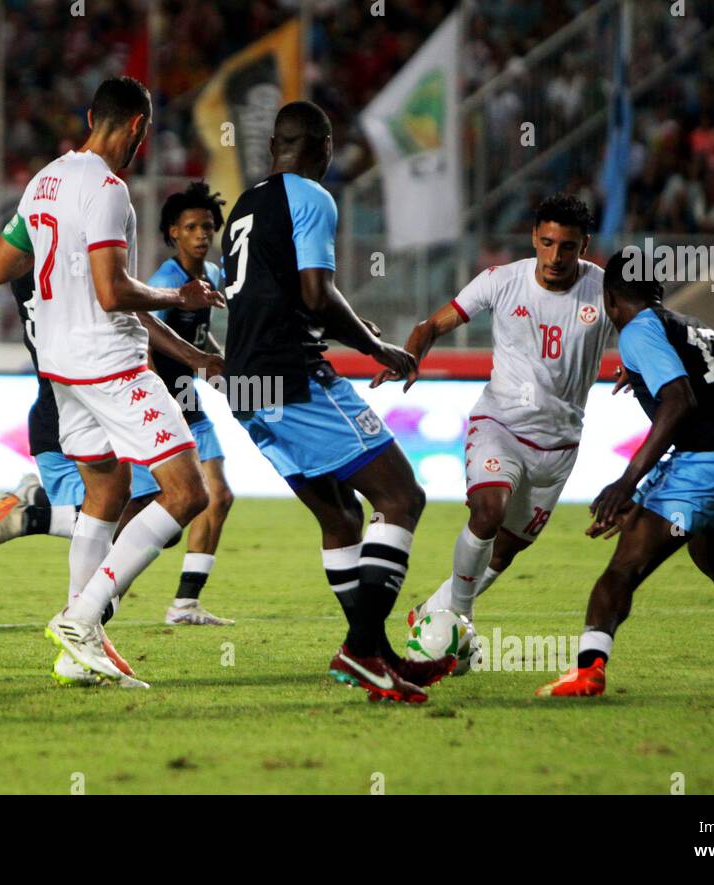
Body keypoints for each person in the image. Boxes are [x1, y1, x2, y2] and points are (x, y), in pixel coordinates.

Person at [0, 77, 223, 688]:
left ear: (92, 115)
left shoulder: (46, 179)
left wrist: (50, 258)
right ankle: (81, 618)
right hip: (111, 364)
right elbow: (113, 291)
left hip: (60, 368)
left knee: (106, 493)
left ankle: (75, 652)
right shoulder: (110, 190)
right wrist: (180, 293)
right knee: (188, 492)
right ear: (139, 128)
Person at [223, 100, 447, 703]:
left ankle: (372, 654)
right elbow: (316, 295)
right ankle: (364, 651)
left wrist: (347, 328)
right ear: (322, 148)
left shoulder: (245, 206)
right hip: (293, 377)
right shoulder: (313, 196)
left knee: (342, 518)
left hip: (244, 384)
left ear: (274, 146)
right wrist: (375, 345)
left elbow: (288, 293)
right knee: (402, 496)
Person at [537, 249, 714, 698]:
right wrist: (643, 374)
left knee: (624, 568)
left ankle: (588, 671)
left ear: (610, 300)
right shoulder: (693, 327)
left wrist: (629, 483)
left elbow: (680, 401)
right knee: (710, 551)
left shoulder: (638, 331)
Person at [374, 194, 610, 675]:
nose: (555, 256)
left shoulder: (605, 291)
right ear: (533, 239)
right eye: (547, 243)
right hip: (499, 424)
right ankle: (460, 617)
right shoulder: (502, 281)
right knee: (489, 510)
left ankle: (433, 613)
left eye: (567, 247)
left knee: (508, 547)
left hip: (560, 444)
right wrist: (412, 354)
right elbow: (431, 324)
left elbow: (649, 323)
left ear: (583, 246)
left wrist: (643, 365)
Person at [125, 181, 235, 627]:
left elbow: (195, 339)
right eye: (191, 227)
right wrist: (150, 385)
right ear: (173, 232)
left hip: (189, 401)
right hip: (159, 408)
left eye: (207, 226)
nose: (201, 234)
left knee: (219, 496)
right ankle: (100, 585)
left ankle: (185, 604)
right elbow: (143, 326)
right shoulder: (167, 281)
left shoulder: (210, 275)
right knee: (144, 506)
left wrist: (229, 376)